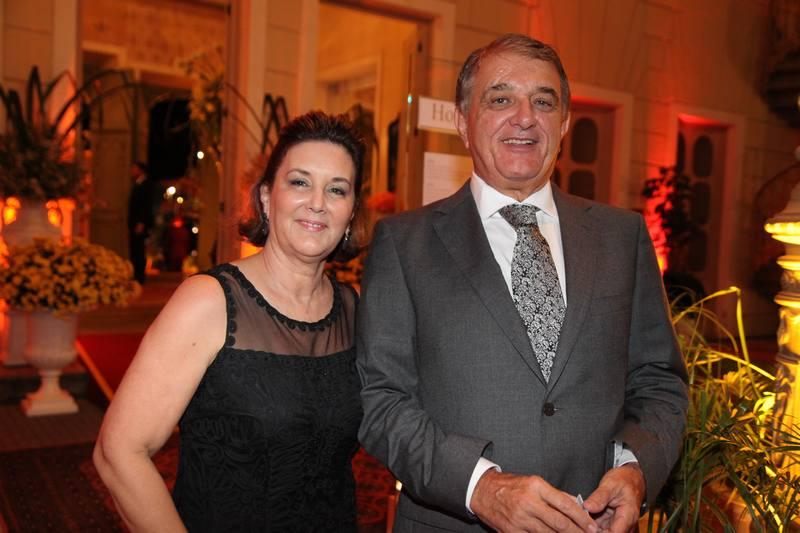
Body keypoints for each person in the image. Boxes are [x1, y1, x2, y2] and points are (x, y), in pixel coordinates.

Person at [357, 34, 688, 532]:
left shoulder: (623, 238)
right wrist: (480, 488)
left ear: (565, 123)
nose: (525, 117)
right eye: (500, 99)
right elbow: (381, 401)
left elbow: (659, 379)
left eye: (543, 102)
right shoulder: (405, 245)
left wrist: (636, 468)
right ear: (463, 121)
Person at [94, 111, 366, 531]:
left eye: (337, 189)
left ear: (350, 212)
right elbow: (119, 452)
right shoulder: (210, 301)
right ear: (266, 198)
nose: (318, 202)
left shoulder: (353, 309)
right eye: (300, 182)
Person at [127, 161, 157, 284]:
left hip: (140, 224)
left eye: (134, 168)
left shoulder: (146, 185)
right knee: (135, 249)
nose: (132, 171)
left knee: (139, 250)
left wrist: (141, 222)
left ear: (140, 170)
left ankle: (139, 276)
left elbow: (146, 206)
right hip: (135, 223)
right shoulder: (137, 184)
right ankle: (136, 274)